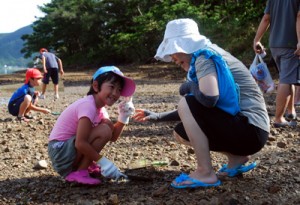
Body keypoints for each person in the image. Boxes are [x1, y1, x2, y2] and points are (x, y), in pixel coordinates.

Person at [133, 18, 269, 189]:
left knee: (185, 102)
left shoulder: (204, 57)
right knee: (181, 132)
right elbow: (197, 108)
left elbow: (209, 99)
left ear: (184, 45)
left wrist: (189, 86)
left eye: (173, 51)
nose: (172, 58)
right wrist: (157, 116)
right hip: (252, 130)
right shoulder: (206, 54)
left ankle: (205, 172)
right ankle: (237, 158)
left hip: (251, 128)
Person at [48, 66, 136, 185]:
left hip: (68, 151)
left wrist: (124, 116)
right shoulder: (88, 105)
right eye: (111, 87)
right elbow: (80, 143)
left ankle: (83, 167)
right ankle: (80, 172)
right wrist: (104, 162)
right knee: (104, 130)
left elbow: (113, 136)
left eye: (119, 90)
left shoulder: (100, 108)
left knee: (106, 127)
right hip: (60, 152)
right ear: (96, 86)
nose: (115, 93)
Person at [253, 0, 300, 127]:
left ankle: (291, 111)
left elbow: (266, 18)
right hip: (290, 44)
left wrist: (257, 39)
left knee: (287, 77)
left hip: (275, 44)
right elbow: (299, 17)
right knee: (286, 80)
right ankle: (279, 119)